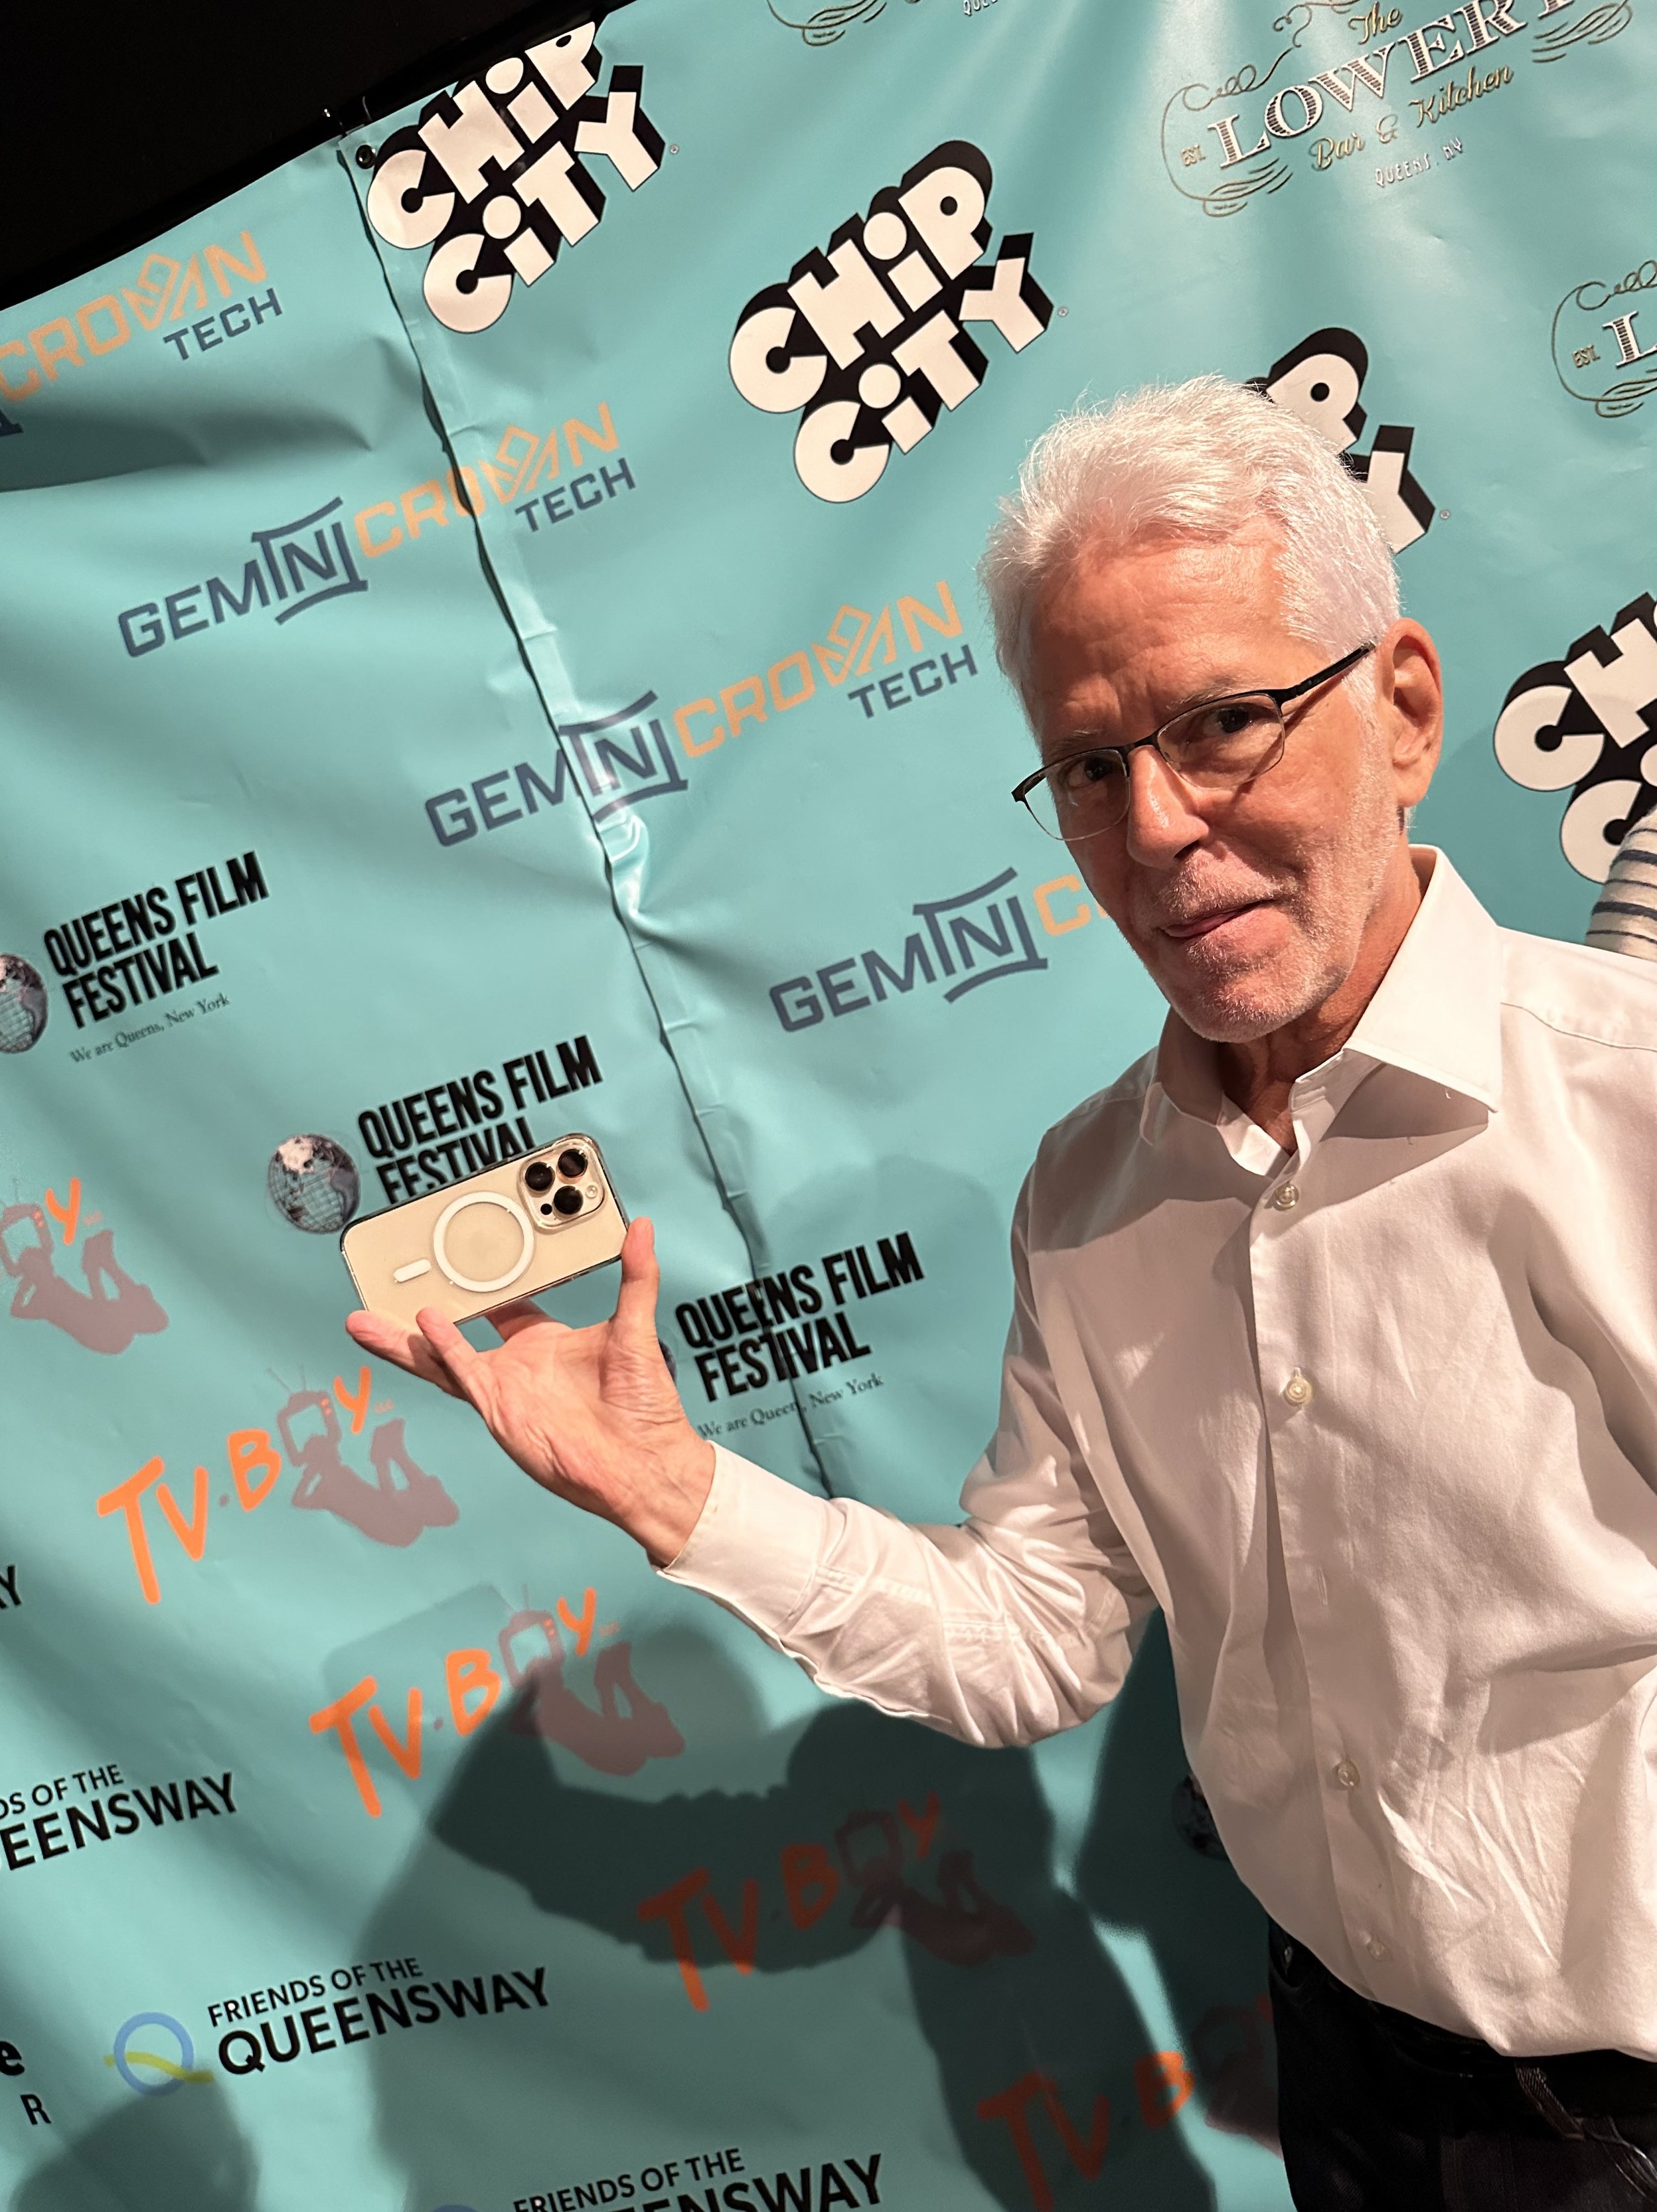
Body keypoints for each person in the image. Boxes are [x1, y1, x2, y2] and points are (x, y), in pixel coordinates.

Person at [347, 376, 1657, 2207]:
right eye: (1088, 765)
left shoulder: (1620, 1096)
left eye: (1221, 724)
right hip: (1355, 2082)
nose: (1155, 827)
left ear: (1406, 709)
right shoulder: (1085, 1195)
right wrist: (672, 1491)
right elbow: (1033, 1639)